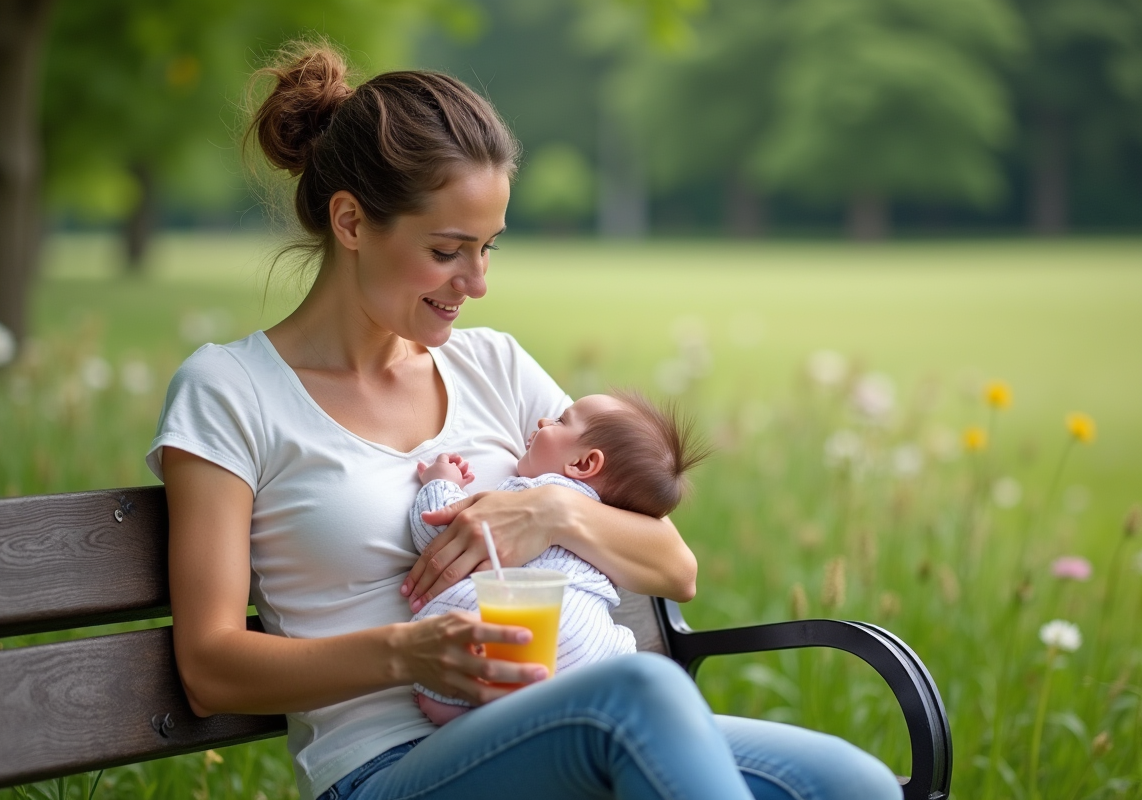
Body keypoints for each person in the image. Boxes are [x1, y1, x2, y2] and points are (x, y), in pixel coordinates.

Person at [148, 40, 903, 800]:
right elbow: (210, 669)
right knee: (640, 696)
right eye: (448, 250)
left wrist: (547, 513)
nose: (476, 282)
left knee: (854, 783)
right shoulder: (231, 392)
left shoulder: (493, 366)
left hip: (557, 721)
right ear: (350, 222)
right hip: (388, 768)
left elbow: (674, 566)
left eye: (487, 249)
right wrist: (410, 653)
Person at [409, 391, 707, 725]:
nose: (542, 420)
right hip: (594, 649)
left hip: (529, 642)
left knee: (459, 653)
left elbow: (439, 534)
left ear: (582, 464)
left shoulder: (531, 493)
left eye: (560, 421)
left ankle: (452, 705)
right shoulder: (608, 523)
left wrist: (440, 484)